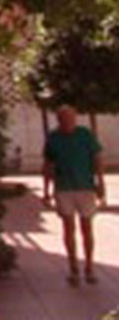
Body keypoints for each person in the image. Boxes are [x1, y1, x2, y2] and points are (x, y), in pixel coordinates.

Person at [42, 102, 106, 286]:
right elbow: (48, 166)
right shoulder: (53, 139)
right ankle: (73, 268)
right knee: (68, 228)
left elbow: (97, 159)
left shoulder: (85, 135)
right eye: (63, 119)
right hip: (64, 188)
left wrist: (100, 184)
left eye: (71, 118)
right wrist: (47, 192)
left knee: (87, 228)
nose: (68, 121)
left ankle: (89, 267)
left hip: (85, 187)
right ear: (58, 120)